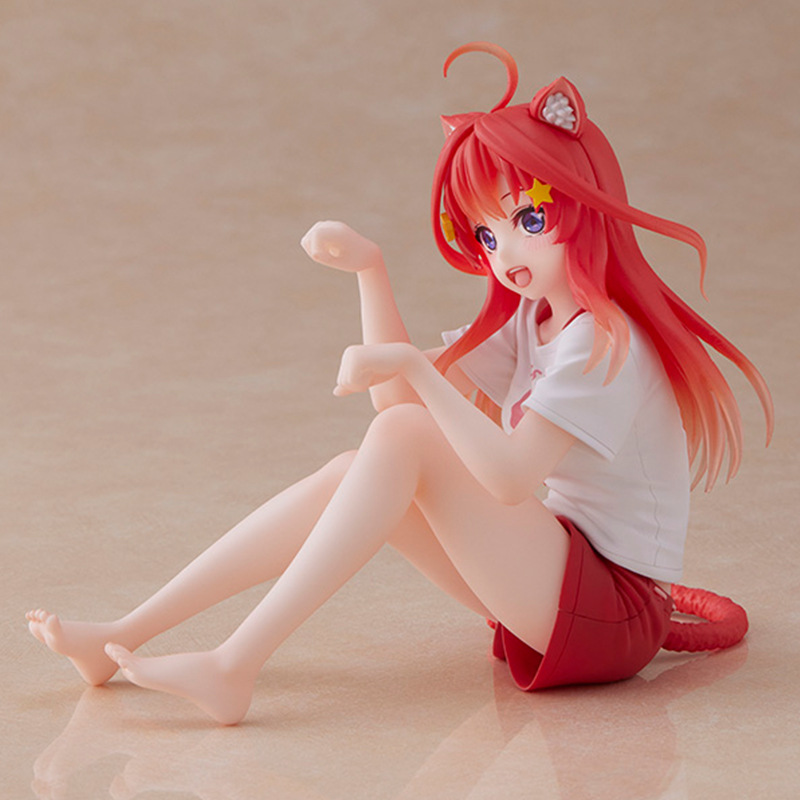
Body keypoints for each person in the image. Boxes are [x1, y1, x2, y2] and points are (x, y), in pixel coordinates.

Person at [26, 42, 773, 725]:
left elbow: (508, 478)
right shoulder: (536, 319)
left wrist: (413, 366)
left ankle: (234, 665)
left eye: (527, 219)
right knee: (353, 468)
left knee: (408, 435)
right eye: (487, 235)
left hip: (613, 614)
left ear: (584, 202)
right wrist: (370, 270)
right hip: (560, 579)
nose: (505, 254)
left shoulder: (604, 341)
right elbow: (392, 411)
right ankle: (123, 634)